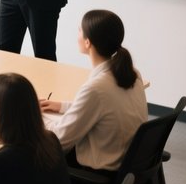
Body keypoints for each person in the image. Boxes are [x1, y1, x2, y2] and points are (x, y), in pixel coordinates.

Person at [40, 9, 148, 173]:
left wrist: (34, 117)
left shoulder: (96, 88)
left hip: (100, 171)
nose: (77, 35)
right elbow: (101, 108)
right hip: (124, 161)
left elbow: (59, 140)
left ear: (88, 42)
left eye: (79, 30)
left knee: (35, 154)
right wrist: (62, 106)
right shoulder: (132, 72)